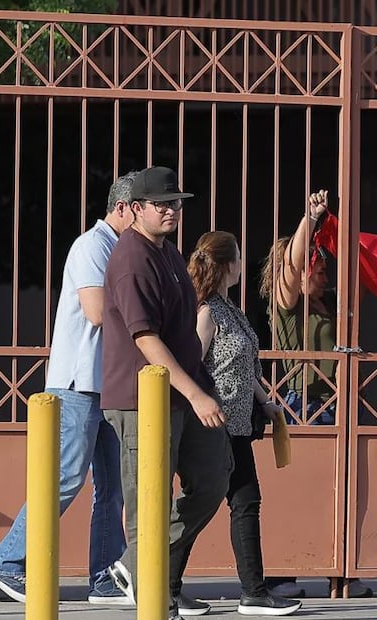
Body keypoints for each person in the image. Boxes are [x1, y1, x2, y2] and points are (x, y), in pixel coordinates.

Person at [0, 173, 136, 605]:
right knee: (66, 477)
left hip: (107, 385)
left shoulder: (120, 249)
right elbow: (95, 311)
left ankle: (104, 578)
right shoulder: (92, 246)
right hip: (79, 383)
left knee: (114, 488)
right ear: (122, 208)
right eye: (142, 207)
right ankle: (8, 562)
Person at [100, 166, 233, 619]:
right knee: (148, 500)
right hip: (142, 400)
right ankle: (153, 596)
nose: (172, 210)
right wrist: (196, 395)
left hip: (184, 391)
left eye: (176, 203)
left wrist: (200, 388)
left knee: (214, 478)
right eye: (162, 204)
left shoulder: (169, 252)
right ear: (136, 209)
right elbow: (146, 339)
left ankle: (134, 563)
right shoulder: (131, 259)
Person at [258, 190, 372, 599]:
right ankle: (281, 574)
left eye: (324, 269)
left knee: (341, 491)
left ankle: (341, 573)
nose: (325, 276)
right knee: (299, 490)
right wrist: (310, 220)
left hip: (339, 404)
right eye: (318, 269)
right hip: (304, 403)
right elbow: (291, 267)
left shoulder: (330, 303)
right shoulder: (288, 305)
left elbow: (361, 278)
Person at [184, 231, 302, 617]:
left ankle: (253, 592)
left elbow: (241, 365)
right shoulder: (206, 313)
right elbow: (191, 367)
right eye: (237, 256)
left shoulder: (229, 308)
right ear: (226, 265)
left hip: (237, 425)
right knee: (202, 505)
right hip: (212, 425)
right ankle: (168, 586)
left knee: (245, 502)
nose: (241, 263)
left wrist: (266, 401)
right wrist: (201, 404)